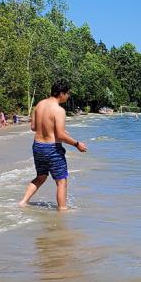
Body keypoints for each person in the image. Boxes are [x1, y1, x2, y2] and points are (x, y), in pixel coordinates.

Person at [18, 81, 87, 212]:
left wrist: (52, 130)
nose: (68, 96)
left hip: (38, 146)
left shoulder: (39, 105)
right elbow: (60, 135)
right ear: (61, 93)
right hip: (52, 149)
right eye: (67, 94)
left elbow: (33, 127)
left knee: (41, 176)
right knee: (61, 181)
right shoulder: (59, 110)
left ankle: (23, 202)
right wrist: (77, 144)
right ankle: (62, 210)